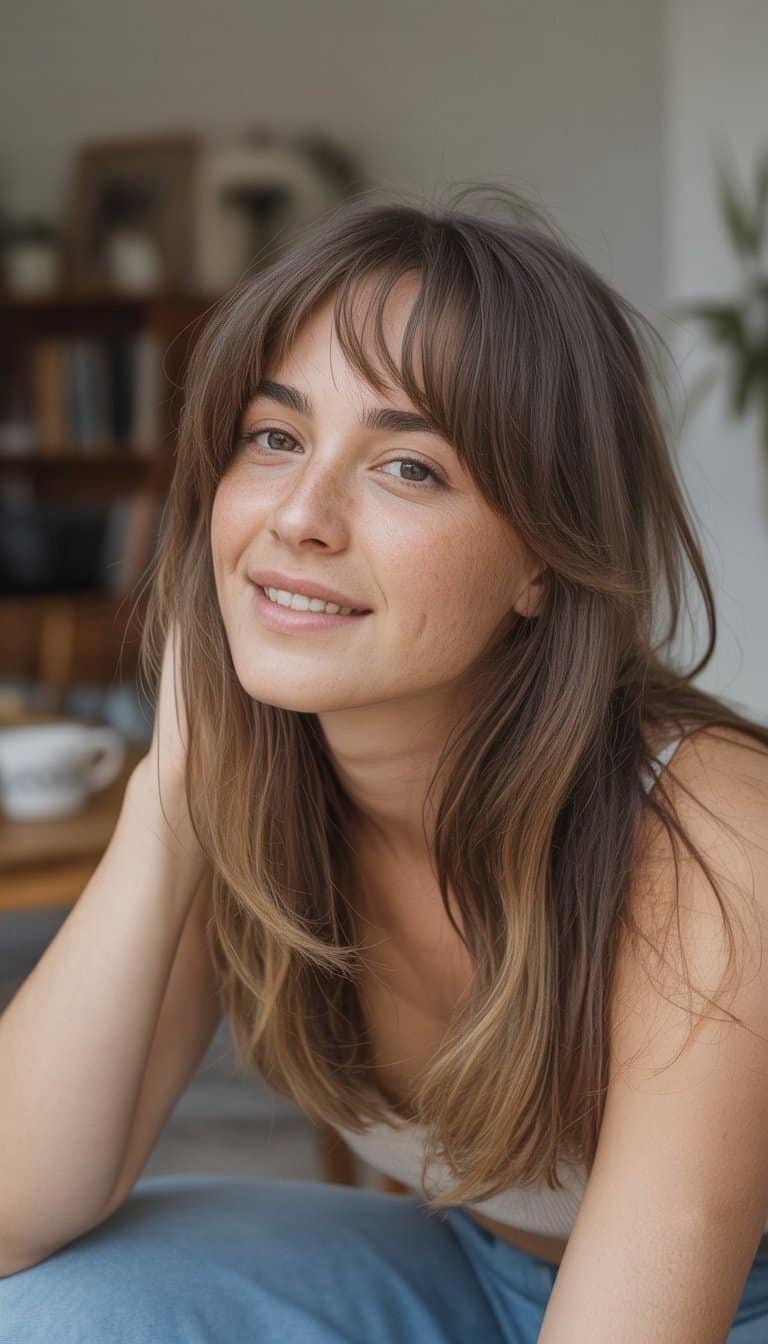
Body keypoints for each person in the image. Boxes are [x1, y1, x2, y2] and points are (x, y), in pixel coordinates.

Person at [2, 185, 768, 1342]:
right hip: (476, 1278)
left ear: (543, 564)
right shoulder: (259, 796)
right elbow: (12, 1215)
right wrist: (169, 805)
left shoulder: (714, 836)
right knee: (53, 1312)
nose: (299, 516)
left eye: (409, 468)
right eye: (275, 437)